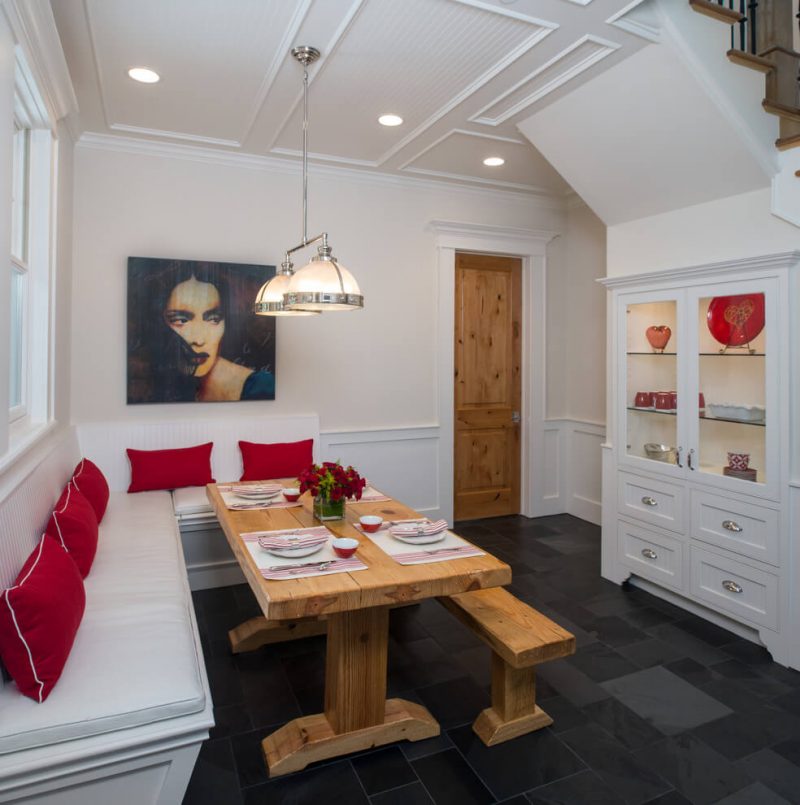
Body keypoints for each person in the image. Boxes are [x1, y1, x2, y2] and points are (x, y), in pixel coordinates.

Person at [128, 261, 275, 403]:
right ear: (158, 324)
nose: (198, 340)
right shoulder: (148, 381)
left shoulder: (259, 387)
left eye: (213, 319)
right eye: (181, 320)